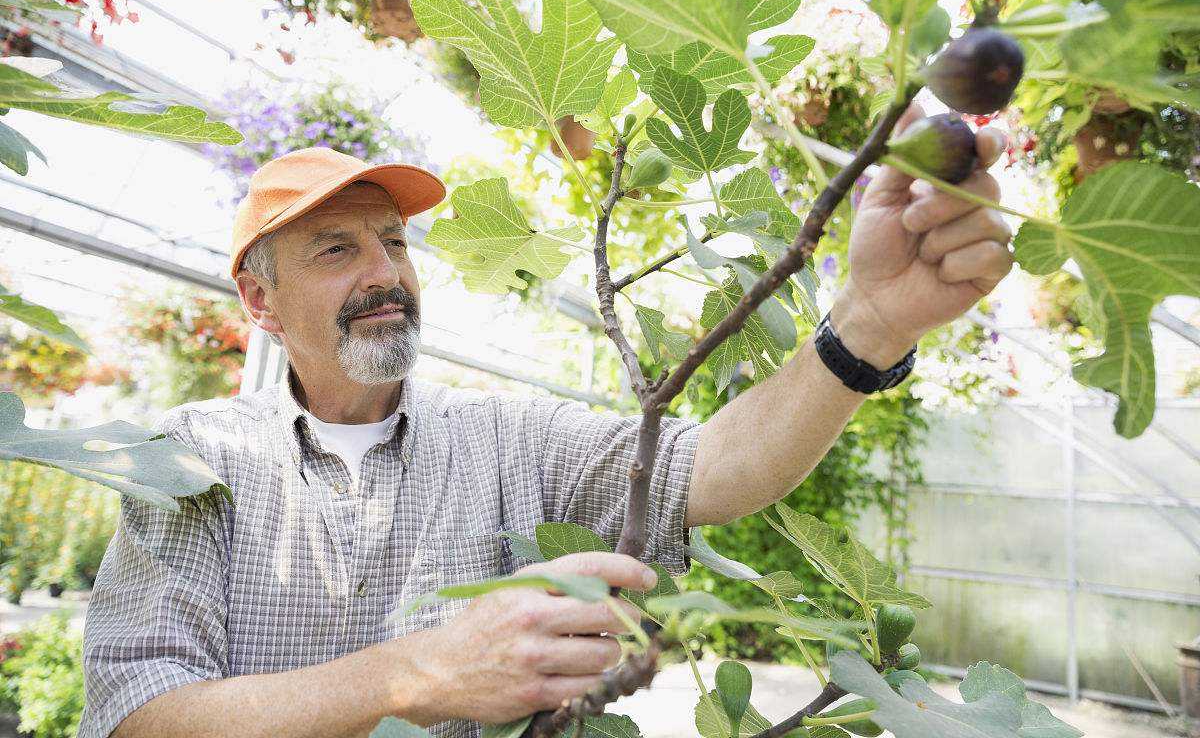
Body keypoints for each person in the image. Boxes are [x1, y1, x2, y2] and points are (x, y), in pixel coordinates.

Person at [80, 104, 1013, 738]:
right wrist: (419, 675)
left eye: (394, 242)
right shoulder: (194, 456)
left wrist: (869, 322)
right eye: (337, 250)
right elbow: (135, 714)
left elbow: (721, 466)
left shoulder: (507, 438)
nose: (386, 273)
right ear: (261, 302)